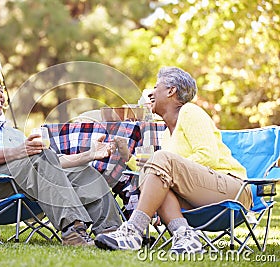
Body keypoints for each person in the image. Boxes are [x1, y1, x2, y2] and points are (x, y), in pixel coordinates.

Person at [0, 75, 123, 246]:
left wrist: (88, 156)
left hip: (23, 182)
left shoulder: (9, 131)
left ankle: (111, 232)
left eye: (0, 90)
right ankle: (73, 230)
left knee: (83, 171)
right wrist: (17, 152)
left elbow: (49, 162)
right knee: (36, 157)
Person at [94, 67, 252, 253]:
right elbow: (156, 171)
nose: (150, 93)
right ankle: (186, 237)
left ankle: (133, 230)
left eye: (155, 87)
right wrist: (126, 155)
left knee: (162, 163)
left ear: (171, 91)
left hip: (233, 190)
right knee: (158, 180)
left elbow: (208, 156)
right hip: (199, 193)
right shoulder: (166, 135)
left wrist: (172, 169)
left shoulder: (190, 111)